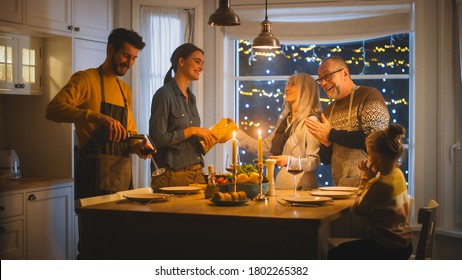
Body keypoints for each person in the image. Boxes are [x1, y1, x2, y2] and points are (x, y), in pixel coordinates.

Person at [46, 28, 151, 199]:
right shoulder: (85, 79)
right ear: (110, 49)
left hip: (122, 179)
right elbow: (52, 110)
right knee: (96, 226)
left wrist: (139, 147)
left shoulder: (125, 91)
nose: (129, 63)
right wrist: (97, 117)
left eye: (134, 58)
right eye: (125, 56)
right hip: (92, 177)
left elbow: (130, 136)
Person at [327, 124, 413, 259]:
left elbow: (358, 209)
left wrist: (366, 177)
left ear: (378, 157)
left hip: (387, 248)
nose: (368, 159)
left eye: (369, 154)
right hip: (404, 245)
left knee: (335, 254)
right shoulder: (398, 174)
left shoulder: (379, 184)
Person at [305, 55, 390, 187]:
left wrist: (331, 134)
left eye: (327, 76)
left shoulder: (369, 95)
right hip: (342, 187)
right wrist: (326, 144)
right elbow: (327, 160)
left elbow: (375, 141)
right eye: (320, 79)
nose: (322, 83)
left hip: (372, 186)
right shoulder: (329, 110)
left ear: (345, 73)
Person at [237, 73, 322, 190]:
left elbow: (314, 161)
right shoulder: (285, 122)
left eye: (293, 85)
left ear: (305, 91)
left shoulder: (311, 121)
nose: (287, 88)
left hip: (301, 189)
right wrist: (237, 133)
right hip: (282, 188)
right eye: (287, 84)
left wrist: (289, 160)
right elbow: (265, 148)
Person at [149, 43, 214, 191]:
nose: (201, 67)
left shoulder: (191, 98)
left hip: (196, 172)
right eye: (197, 61)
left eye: (202, 63)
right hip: (171, 175)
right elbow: (156, 139)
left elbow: (189, 139)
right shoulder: (164, 95)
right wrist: (192, 131)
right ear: (181, 61)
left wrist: (213, 135)